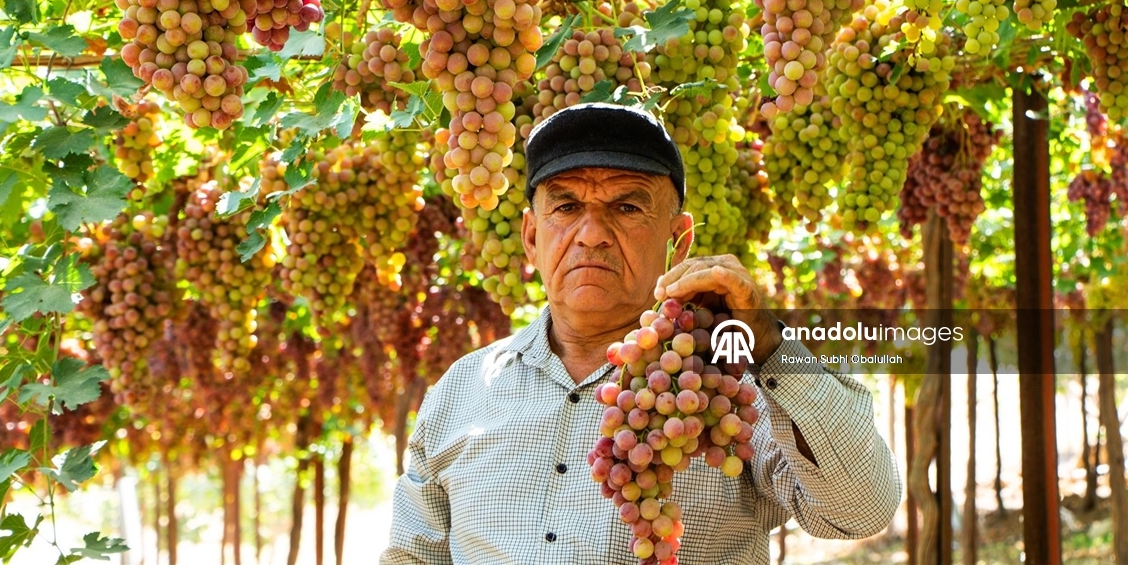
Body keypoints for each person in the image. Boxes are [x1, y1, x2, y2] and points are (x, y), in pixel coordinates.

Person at [380, 103, 900, 565]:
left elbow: (860, 509)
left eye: (627, 208)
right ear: (531, 237)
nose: (592, 234)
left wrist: (768, 344)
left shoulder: (727, 386)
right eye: (566, 207)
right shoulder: (461, 391)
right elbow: (411, 556)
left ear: (680, 239)